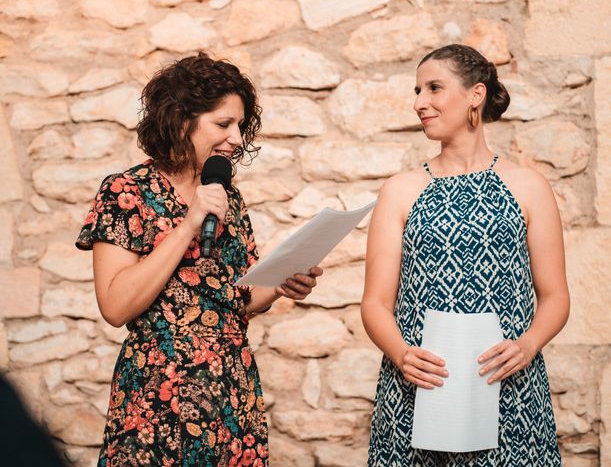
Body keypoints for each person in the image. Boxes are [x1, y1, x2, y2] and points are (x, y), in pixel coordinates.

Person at [76, 52, 323, 466]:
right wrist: (188, 226)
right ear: (180, 119)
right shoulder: (126, 192)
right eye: (223, 124)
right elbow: (116, 305)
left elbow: (238, 299)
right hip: (157, 396)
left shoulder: (228, 195)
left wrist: (279, 286)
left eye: (241, 125)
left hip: (231, 391)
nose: (237, 138)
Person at [361, 44, 569, 466]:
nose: (420, 102)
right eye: (417, 90)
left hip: (507, 388)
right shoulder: (400, 190)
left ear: (475, 95)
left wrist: (527, 346)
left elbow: (556, 297)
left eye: (434, 88)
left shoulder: (528, 186)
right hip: (419, 390)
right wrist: (402, 355)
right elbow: (375, 303)